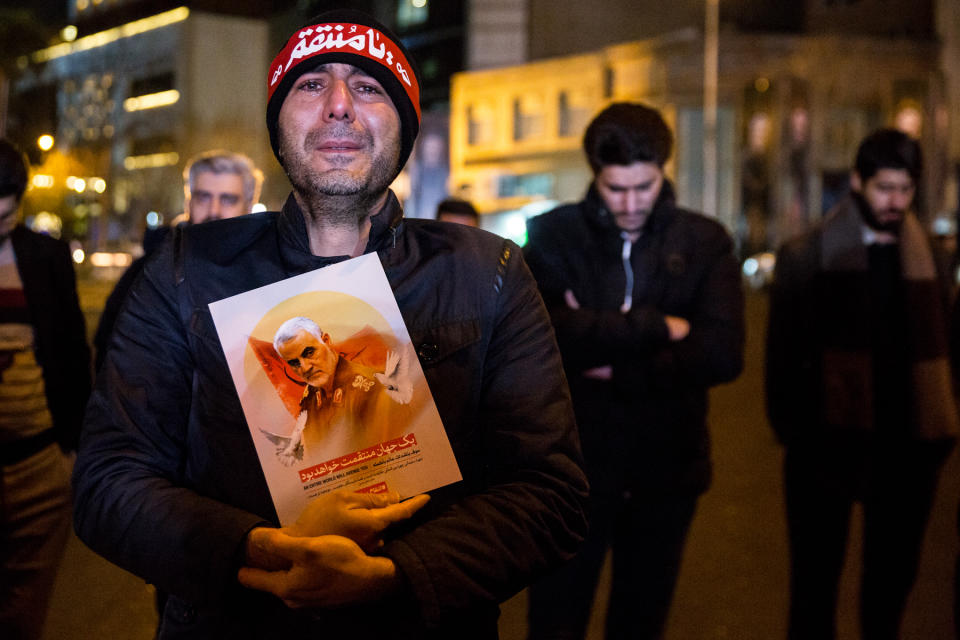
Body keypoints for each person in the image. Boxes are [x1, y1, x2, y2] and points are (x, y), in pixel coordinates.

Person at [72, 9, 587, 640]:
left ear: (406, 128)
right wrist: (258, 549)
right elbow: (108, 480)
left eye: (370, 87)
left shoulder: (489, 272)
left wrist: (398, 576)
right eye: (311, 83)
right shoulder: (184, 270)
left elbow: (550, 494)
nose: (339, 105)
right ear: (278, 127)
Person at [523, 102, 745, 639]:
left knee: (641, 621)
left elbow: (722, 352)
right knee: (555, 618)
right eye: (615, 188)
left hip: (666, 469)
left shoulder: (705, 241)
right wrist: (656, 327)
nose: (629, 203)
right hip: (569, 470)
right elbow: (541, 337)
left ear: (662, 171)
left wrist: (611, 364)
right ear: (595, 175)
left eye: (642, 187)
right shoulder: (552, 235)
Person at [766, 128, 957, 640]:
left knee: (890, 594)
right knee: (813, 594)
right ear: (857, 181)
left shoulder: (933, 258)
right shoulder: (806, 254)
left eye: (905, 189)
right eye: (883, 188)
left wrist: (938, 433)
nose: (894, 201)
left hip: (907, 451)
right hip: (823, 449)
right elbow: (780, 363)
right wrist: (797, 436)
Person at [0, 139, 91, 639]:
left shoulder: (45, 257)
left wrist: (72, 453)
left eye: (7, 216)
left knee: (23, 610)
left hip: (39, 462)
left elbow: (73, 352)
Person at [92, 149, 263, 370]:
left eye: (228, 199)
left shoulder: (267, 273)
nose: (214, 210)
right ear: (188, 202)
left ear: (250, 205)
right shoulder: (148, 269)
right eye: (203, 197)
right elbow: (109, 348)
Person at [268, 316, 414, 463]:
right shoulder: (309, 399)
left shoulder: (375, 391)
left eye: (309, 353)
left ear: (326, 341)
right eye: (294, 363)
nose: (305, 367)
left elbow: (401, 456)